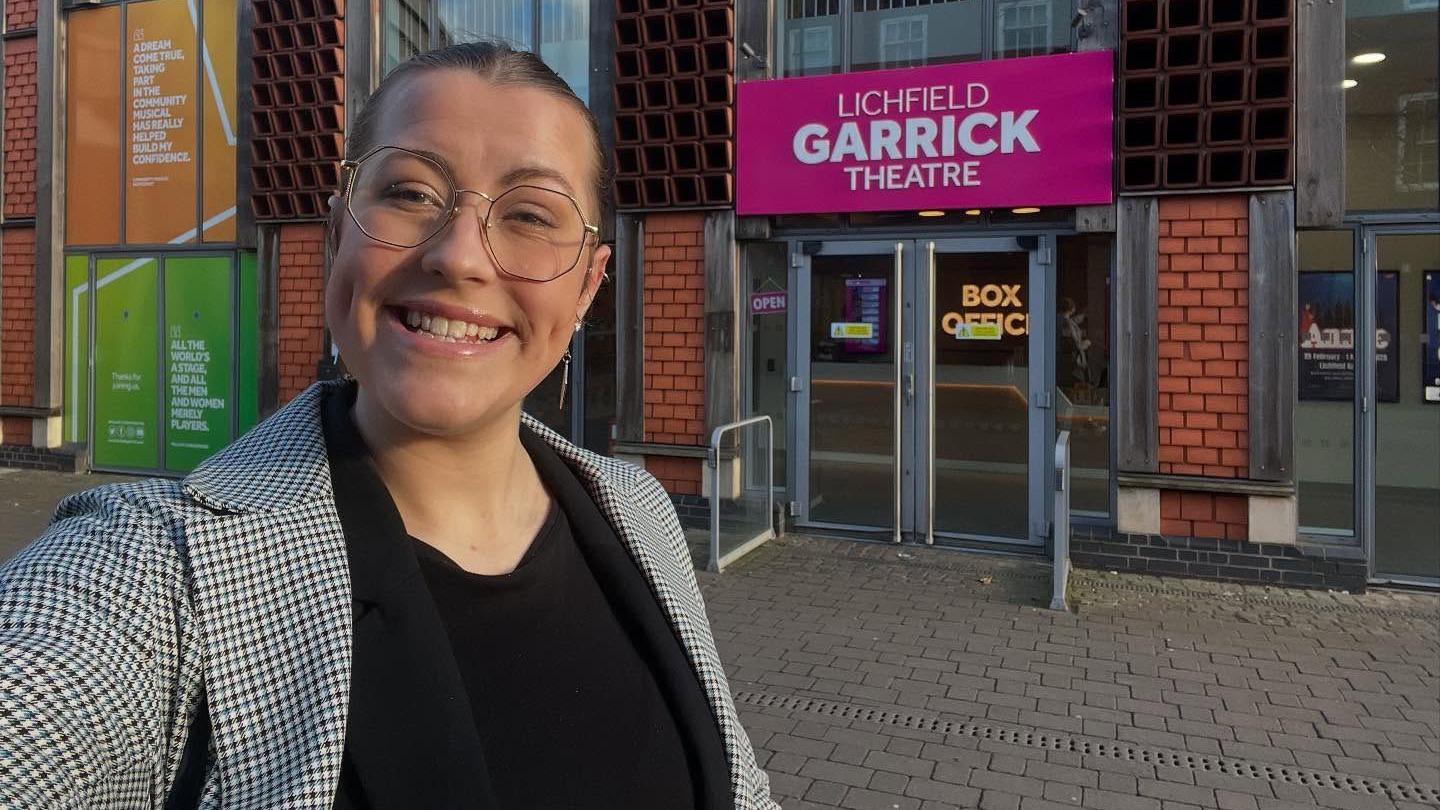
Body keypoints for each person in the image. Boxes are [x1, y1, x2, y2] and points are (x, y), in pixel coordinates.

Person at [0, 42, 778, 810]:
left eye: (533, 214)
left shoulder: (638, 510)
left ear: (586, 287)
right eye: (410, 192)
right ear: (338, 234)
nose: (460, 257)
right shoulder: (149, 572)